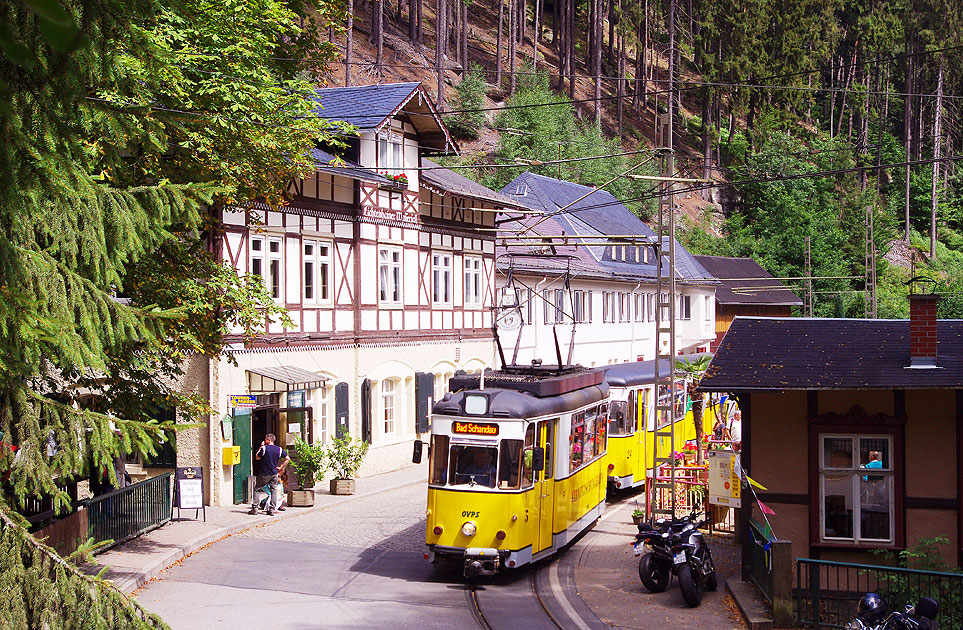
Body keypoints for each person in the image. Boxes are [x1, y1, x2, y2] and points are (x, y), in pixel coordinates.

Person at [250, 433, 290, 516]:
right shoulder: (279, 449)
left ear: (268, 440)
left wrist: (261, 447)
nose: (264, 440)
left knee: (257, 489)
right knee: (273, 490)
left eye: (265, 439)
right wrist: (281, 467)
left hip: (265, 473)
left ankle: (255, 508)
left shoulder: (264, 448)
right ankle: (272, 509)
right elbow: (287, 459)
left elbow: (257, 457)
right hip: (274, 473)